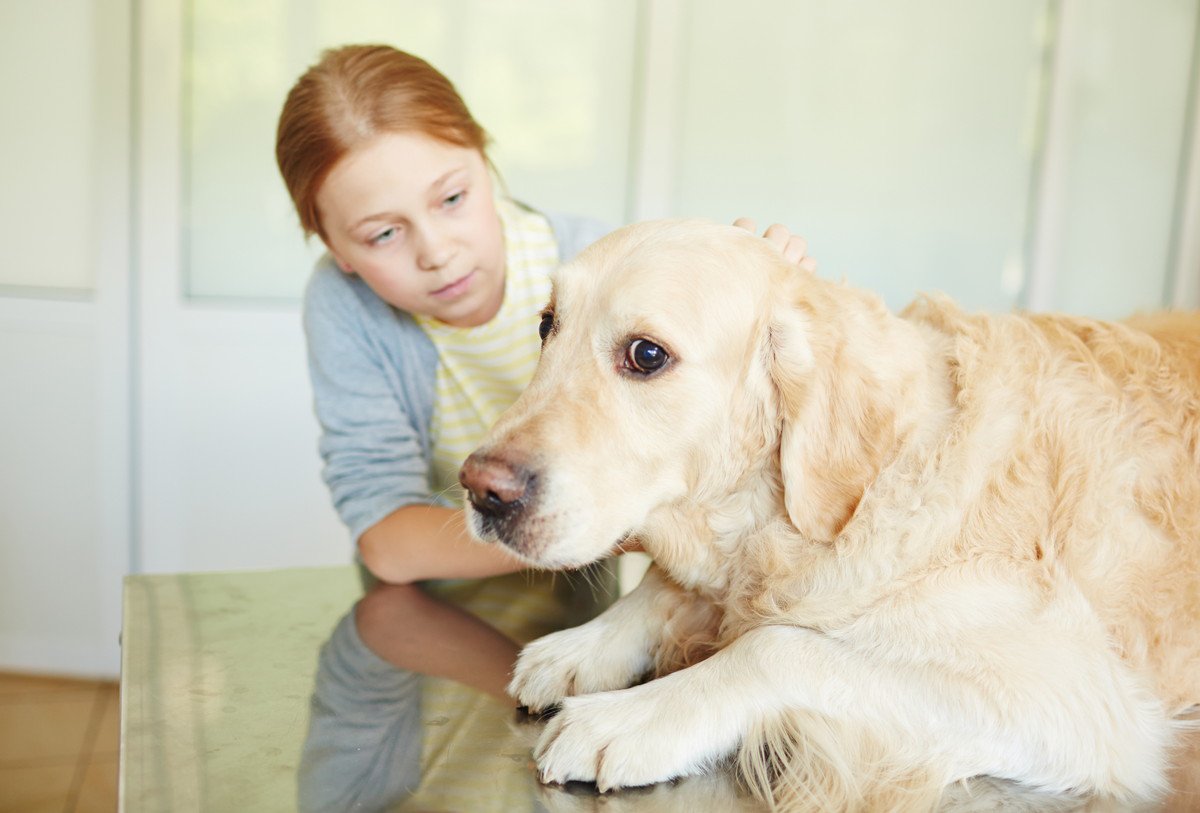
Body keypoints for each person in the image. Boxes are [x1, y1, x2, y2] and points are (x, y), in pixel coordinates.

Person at [275, 43, 814, 810]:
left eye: (453, 197)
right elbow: (387, 542)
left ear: (486, 163)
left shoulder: (595, 263)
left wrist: (757, 288)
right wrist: (583, 525)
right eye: (381, 235)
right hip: (431, 607)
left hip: (585, 592)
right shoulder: (345, 308)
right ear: (337, 251)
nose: (437, 249)